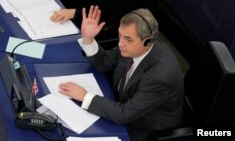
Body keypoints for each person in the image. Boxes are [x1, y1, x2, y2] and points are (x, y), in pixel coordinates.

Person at [59, 5, 184, 141]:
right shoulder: (132, 47)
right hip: (119, 105)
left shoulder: (160, 76)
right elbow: (104, 62)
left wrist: (84, 96)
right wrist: (88, 39)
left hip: (141, 130)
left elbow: (122, 115)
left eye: (128, 39)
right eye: (120, 35)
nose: (120, 44)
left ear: (148, 41)